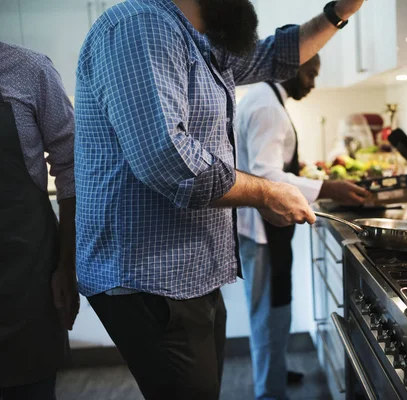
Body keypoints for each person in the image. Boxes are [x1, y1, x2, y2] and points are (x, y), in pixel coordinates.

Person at [74, 0, 365, 398]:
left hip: (190, 272)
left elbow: (275, 55)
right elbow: (168, 160)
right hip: (149, 276)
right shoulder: (141, 26)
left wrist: (338, 12)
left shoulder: (200, 41)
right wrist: (264, 193)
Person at [235, 54, 369, 399]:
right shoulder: (267, 106)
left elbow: (268, 165)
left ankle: (274, 373)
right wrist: (328, 188)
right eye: (310, 74)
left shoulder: (266, 98)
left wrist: (305, 176)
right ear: (291, 67)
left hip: (264, 227)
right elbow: (266, 176)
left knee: (275, 306)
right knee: (268, 312)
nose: (312, 83)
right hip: (261, 230)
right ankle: (269, 391)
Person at [0, 42, 79, 400]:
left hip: (24, 274)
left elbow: (72, 167)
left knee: (29, 387)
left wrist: (68, 266)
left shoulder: (29, 71)